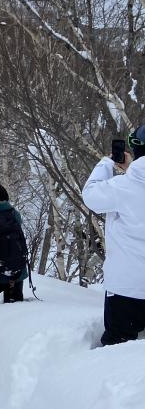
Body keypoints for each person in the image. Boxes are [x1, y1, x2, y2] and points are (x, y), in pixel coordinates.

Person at [82, 124, 145, 346]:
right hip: (126, 287)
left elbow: (90, 195)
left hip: (126, 288)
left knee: (116, 346)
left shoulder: (122, 187)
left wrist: (106, 163)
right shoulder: (127, 184)